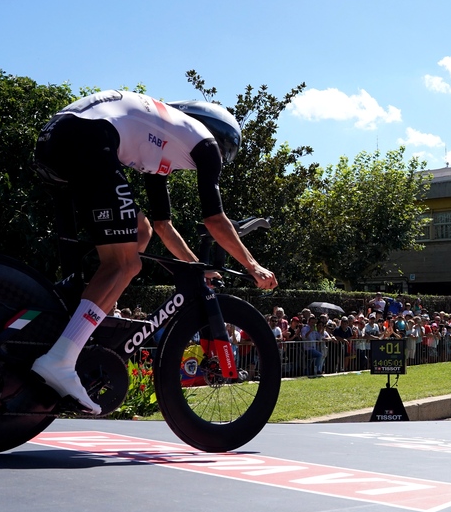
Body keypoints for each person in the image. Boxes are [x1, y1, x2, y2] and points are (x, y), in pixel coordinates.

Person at [30, 90, 277, 414]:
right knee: (125, 264)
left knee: (140, 230)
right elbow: (215, 220)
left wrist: (195, 266)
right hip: (88, 138)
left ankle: (79, 311)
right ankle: (61, 358)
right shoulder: (205, 143)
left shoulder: (159, 143)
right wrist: (253, 265)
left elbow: (162, 227)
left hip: (56, 140)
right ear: (221, 138)